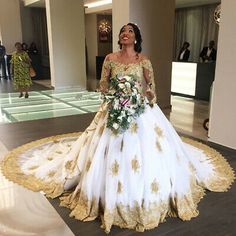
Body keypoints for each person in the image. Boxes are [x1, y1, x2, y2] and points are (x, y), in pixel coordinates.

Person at [1, 23, 234, 233]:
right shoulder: (110, 59)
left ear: (136, 37)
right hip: (114, 107)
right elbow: (103, 85)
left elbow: (152, 88)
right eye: (123, 31)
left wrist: (144, 94)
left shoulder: (143, 60)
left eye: (130, 31)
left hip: (139, 111)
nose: (125, 34)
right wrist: (114, 92)